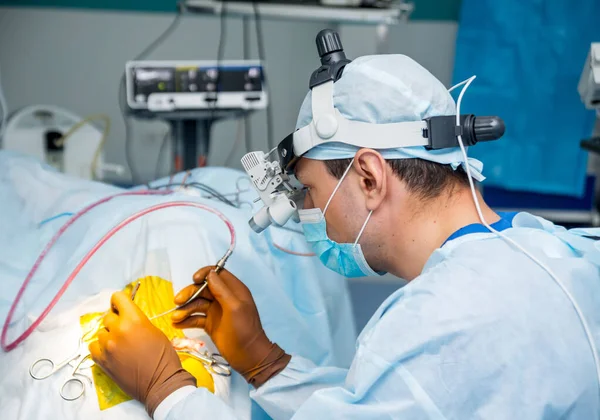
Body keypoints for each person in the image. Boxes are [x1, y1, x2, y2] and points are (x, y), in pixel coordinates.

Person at [90, 54, 600, 419]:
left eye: (309, 193)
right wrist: (266, 364)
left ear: (370, 178)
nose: (304, 213)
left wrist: (166, 388)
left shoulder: (439, 323)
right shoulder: (558, 250)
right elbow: (393, 405)